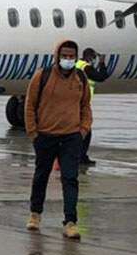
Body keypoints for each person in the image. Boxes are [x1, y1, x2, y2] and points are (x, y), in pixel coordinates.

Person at [24, 40, 92, 240]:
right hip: (46, 136)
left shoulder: (80, 78)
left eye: (72, 56)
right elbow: (30, 105)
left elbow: (85, 106)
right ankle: (35, 214)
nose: (68, 59)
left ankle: (70, 222)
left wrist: (82, 130)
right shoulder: (42, 76)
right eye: (65, 56)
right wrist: (33, 133)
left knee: (70, 178)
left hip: (71, 137)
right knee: (41, 176)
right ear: (57, 56)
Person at [75, 47, 108, 166]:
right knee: (86, 131)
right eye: (94, 58)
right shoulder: (86, 67)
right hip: (82, 103)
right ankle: (81, 157)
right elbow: (101, 77)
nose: (94, 60)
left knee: (78, 131)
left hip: (75, 102)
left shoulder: (77, 64)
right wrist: (102, 63)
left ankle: (79, 156)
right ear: (90, 57)